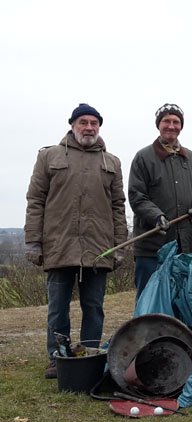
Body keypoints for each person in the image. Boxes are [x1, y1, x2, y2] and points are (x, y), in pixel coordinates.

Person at [24, 103, 127, 379]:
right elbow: (35, 200)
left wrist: (120, 246)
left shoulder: (111, 162)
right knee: (58, 309)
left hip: (99, 249)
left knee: (93, 307)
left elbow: (118, 205)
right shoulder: (49, 157)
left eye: (94, 123)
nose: (89, 127)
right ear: (72, 125)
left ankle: (90, 357)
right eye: (83, 122)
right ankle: (58, 359)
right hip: (59, 246)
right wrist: (33, 241)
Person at [128, 103, 192, 300]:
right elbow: (137, 196)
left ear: (181, 126)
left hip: (185, 243)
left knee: (184, 300)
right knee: (150, 299)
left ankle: (182, 332)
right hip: (153, 245)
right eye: (166, 121)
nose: (171, 126)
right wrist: (156, 216)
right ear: (158, 125)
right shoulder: (143, 157)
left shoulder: (190, 157)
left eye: (176, 122)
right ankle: (148, 333)